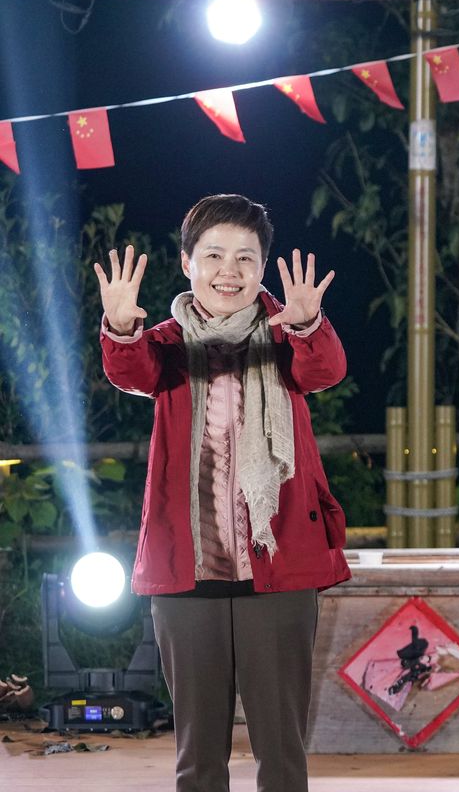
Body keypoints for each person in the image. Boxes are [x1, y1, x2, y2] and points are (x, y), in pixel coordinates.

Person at [94, 193, 350, 792]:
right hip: (188, 575)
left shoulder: (287, 337)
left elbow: (323, 371)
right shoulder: (165, 344)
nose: (228, 271)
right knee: (198, 759)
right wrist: (123, 327)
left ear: (262, 267)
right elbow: (130, 371)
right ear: (187, 262)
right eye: (213, 255)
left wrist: (308, 325)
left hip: (278, 566)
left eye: (244, 257)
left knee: (282, 754)